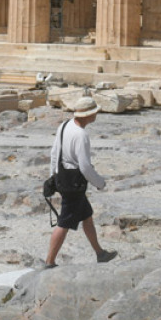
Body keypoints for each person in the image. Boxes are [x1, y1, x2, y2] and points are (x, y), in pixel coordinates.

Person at [44, 97, 118, 268]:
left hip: (63, 178)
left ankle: (100, 253)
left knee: (86, 215)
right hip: (74, 184)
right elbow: (84, 166)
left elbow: (54, 152)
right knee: (64, 223)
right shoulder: (81, 134)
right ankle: (49, 261)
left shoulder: (64, 126)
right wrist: (99, 183)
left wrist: (53, 176)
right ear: (89, 114)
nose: (97, 114)